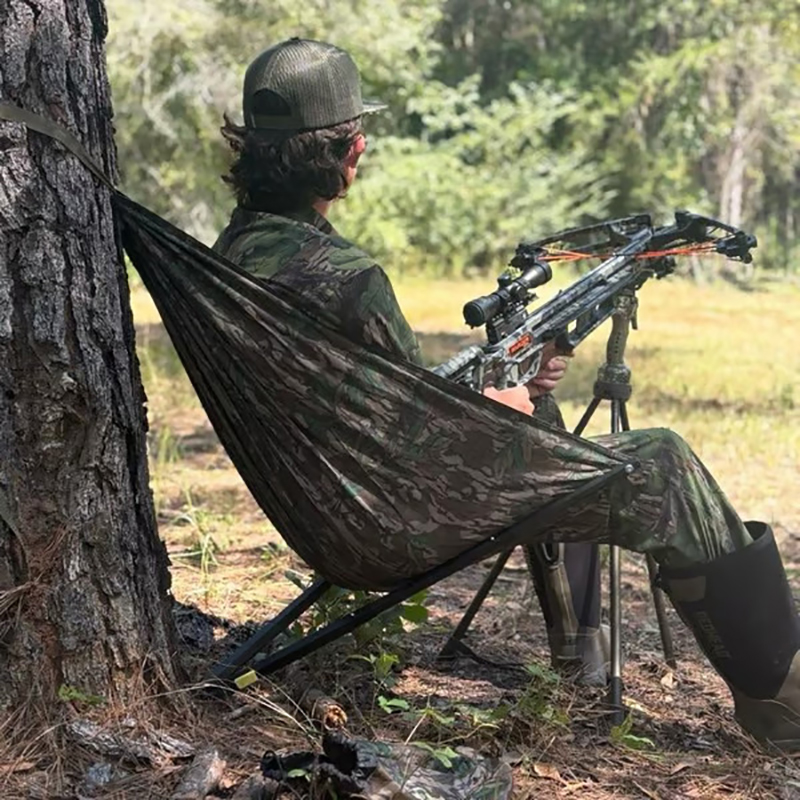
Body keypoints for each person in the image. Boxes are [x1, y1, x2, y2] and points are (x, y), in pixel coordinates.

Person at [213, 38, 800, 751]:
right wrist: (499, 410)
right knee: (663, 462)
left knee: (541, 415)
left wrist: (504, 393)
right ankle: (782, 694)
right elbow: (418, 437)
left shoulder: (228, 263)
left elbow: (370, 403)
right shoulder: (346, 277)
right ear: (350, 151)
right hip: (392, 521)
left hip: (327, 511)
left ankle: (580, 657)